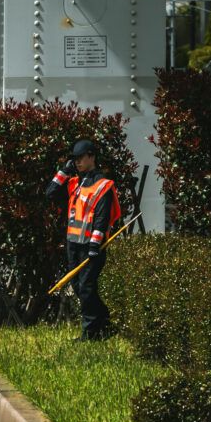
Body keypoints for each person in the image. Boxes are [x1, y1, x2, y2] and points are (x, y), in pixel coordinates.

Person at [46, 138, 121, 341]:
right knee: (79, 287)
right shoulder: (75, 184)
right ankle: (105, 324)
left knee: (87, 287)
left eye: (80, 158)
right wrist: (64, 171)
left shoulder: (103, 185)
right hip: (73, 244)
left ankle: (90, 333)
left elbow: (102, 218)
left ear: (92, 157)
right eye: (75, 159)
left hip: (91, 246)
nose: (77, 162)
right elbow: (50, 193)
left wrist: (95, 244)